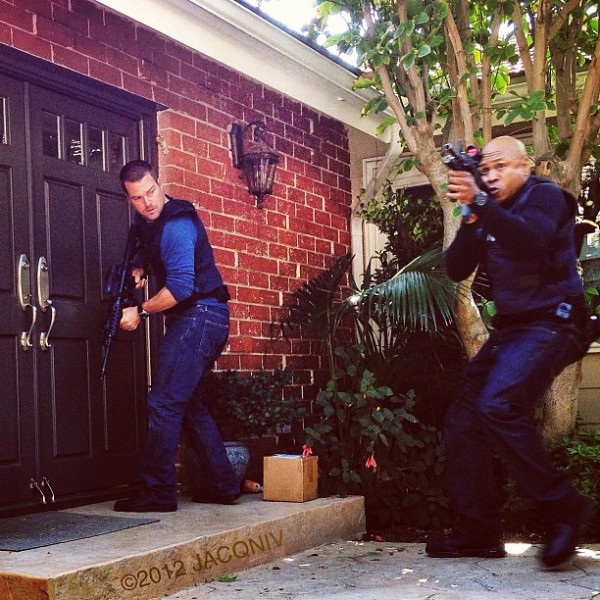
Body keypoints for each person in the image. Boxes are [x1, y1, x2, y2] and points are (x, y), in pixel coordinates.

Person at [426, 136, 593, 569]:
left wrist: (481, 201)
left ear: (526, 165)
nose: (492, 176)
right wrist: (470, 214)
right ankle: (478, 532)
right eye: (485, 170)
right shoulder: (487, 210)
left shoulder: (546, 196)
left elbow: (529, 241)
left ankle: (565, 508)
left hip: (556, 321)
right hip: (513, 330)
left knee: (498, 405)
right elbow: (457, 268)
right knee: (464, 419)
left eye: (501, 167)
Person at [113, 159, 240, 513]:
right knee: (188, 403)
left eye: (151, 192)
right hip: (205, 317)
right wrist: (139, 265)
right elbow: (149, 244)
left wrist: (140, 312)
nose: (148, 202)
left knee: (164, 402)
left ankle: (158, 494)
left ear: (159, 183)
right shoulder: (150, 224)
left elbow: (182, 287)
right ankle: (223, 485)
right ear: (129, 199)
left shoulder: (177, 224)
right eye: (138, 198)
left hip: (199, 316)